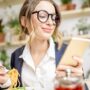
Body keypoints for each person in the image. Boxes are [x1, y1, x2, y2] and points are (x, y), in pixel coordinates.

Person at [0, 0, 83, 90]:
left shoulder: (67, 52)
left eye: (53, 17)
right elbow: (16, 87)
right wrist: (6, 83)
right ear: (24, 21)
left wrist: (79, 81)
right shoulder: (16, 56)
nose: (50, 23)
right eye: (43, 16)